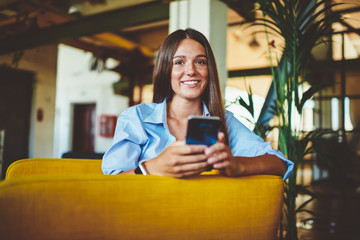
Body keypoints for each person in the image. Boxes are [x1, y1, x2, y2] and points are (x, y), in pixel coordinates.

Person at [102, 28, 293, 179]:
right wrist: (150, 168)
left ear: (208, 70)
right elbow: (112, 180)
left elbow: (280, 163)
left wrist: (236, 165)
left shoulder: (224, 121)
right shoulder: (137, 118)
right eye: (179, 62)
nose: (191, 71)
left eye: (200, 62)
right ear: (165, 70)